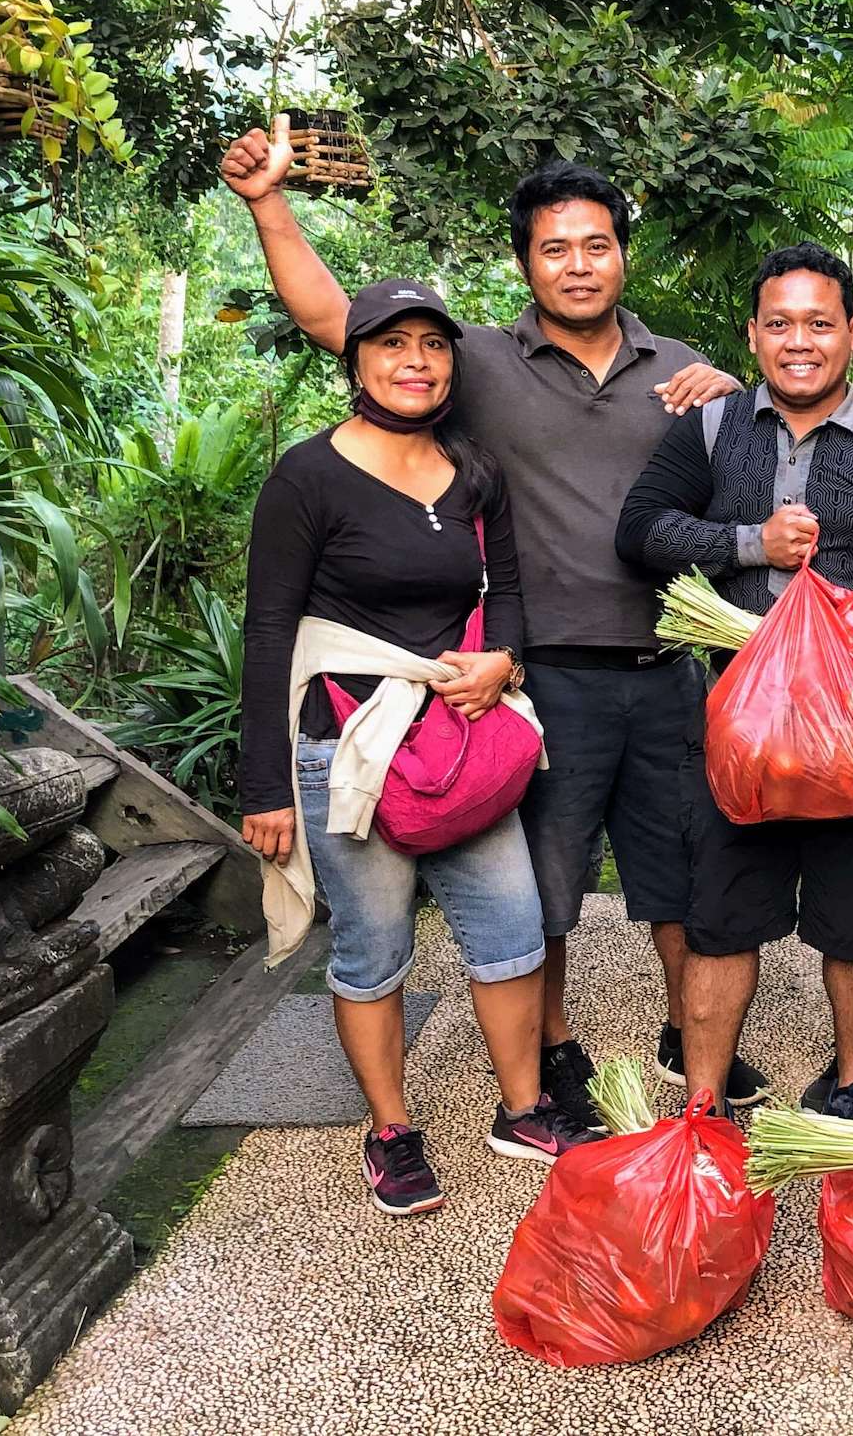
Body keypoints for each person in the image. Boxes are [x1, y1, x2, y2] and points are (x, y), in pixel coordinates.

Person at [221, 126, 769, 1126]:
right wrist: (268, 203)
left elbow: (745, 477)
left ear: (622, 253)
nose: (577, 263)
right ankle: (552, 1052)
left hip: (666, 669)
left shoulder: (681, 366)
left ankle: (696, 1040)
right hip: (538, 674)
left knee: (686, 880)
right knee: (544, 894)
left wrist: (739, 397)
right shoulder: (472, 360)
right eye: (555, 247)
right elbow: (338, 319)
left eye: (595, 243)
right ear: (526, 260)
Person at [238, 280, 596, 1217]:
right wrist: (264, 785)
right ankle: (391, 1131)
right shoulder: (306, 478)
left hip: (461, 736)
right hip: (346, 744)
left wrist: (503, 661)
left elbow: (507, 588)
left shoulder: (473, 472)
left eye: (432, 345)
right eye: (391, 344)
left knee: (513, 934)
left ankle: (521, 1109)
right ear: (353, 359)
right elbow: (269, 630)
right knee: (374, 947)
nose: (415, 362)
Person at [616, 243, 853, 1124]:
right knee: (720, 919)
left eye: (820, 324)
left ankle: (852, 1087)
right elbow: (640, 530)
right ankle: (702, 1109)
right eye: (780, 324)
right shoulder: (712, 429)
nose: (799, 342)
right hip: (745, 735)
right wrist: (748, 543)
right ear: (753, 335)